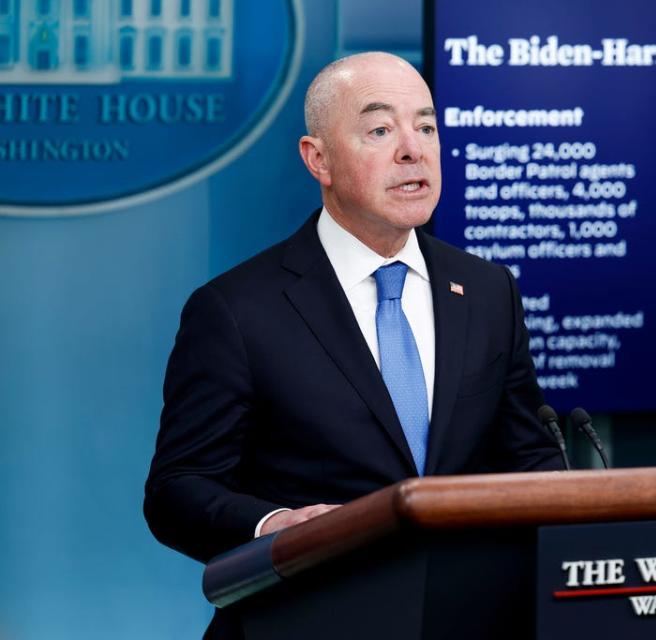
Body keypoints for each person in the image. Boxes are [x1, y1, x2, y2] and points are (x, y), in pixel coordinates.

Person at [144, 50, 561, 603]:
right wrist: (274, 526)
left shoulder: (486, 291)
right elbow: (178, 489)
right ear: (319, 160)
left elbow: (531, 459)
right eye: (381, 128)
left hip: (468, 613)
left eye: (427, 126)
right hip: (314, 611)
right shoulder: (236, 310)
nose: (413, 150)